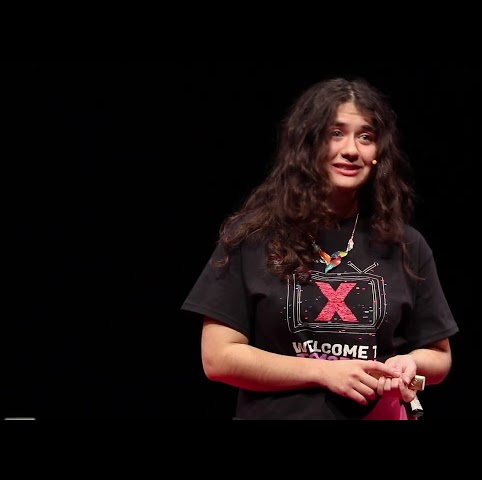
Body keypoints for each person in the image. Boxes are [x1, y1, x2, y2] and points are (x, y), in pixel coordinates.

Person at [181, 76, 459, 420]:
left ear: (378, 154)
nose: (351, 150)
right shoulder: (251, 237)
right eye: (335, 133)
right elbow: (218, 358)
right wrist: (325, 372)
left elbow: (439, 355)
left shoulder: (405, 244)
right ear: (308, 143)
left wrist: (410, 362)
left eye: (366, 137)